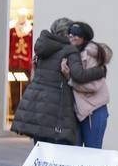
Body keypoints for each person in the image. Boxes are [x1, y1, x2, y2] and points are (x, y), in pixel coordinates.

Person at [11, 17, 107, 146]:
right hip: (56, 112)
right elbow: (79, 75)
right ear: (66, 34)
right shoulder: (69, 50)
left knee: (41, 152)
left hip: (36, 108)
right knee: (63, 154)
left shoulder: (42, 49)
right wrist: (100, 71)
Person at [61, 22, 112, 148]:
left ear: (84, 37)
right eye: (70, 33)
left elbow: (93, 86)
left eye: (77, 34)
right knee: (75, 154)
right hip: (78, 111)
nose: (72, 36)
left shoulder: (92, 55)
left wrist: (70, 80)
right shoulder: (71, 54)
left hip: (93, 110)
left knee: (92, 153)